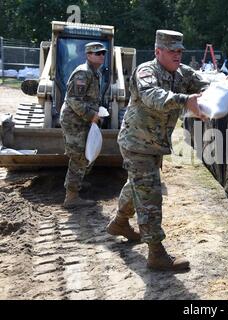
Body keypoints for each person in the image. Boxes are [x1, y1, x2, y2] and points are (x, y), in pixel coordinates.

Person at [106, 30, 209, 271]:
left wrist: (226, 88)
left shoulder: (183, 73)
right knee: (150, 195)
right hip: (136, 143)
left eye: (180, 50)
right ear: (158, 51)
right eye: (172, 50)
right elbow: (152, 96)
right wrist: (185, 101)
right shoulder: (146, 71)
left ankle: (120, 222)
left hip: (154, 145)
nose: (177, 54)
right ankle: (156, 253)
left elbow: (206, 84)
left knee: (138, 186)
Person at [60, 42, 105, 209]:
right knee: (78, 157)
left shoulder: (95, 73)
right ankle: (71, 196)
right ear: (88, 55)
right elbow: (73, 99)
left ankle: (76, 183)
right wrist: (91, 114)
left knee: (87, 154)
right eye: (97, 53)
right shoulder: (83, 73)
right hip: (74, 121)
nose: (101, 55)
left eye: (103, 53)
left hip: (84, 120)